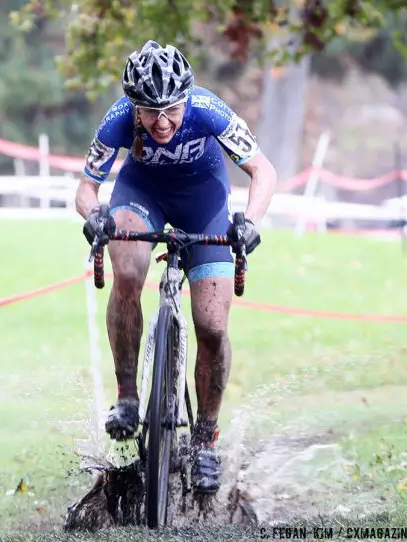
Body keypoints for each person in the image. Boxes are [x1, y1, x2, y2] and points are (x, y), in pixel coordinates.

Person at [75, 40, 277, 495]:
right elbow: (86, 188)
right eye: (150, 113)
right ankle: (127, 397)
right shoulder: (118, 120)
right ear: (134, 107)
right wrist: (95, 217)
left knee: (211, 324)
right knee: (127, 271)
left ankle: (205, 440)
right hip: (141, 196)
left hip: (203, 205)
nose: (162, 122)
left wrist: (250, 222)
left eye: (171, 110)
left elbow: (263, 171)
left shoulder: (209, 110)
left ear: (187, 100)